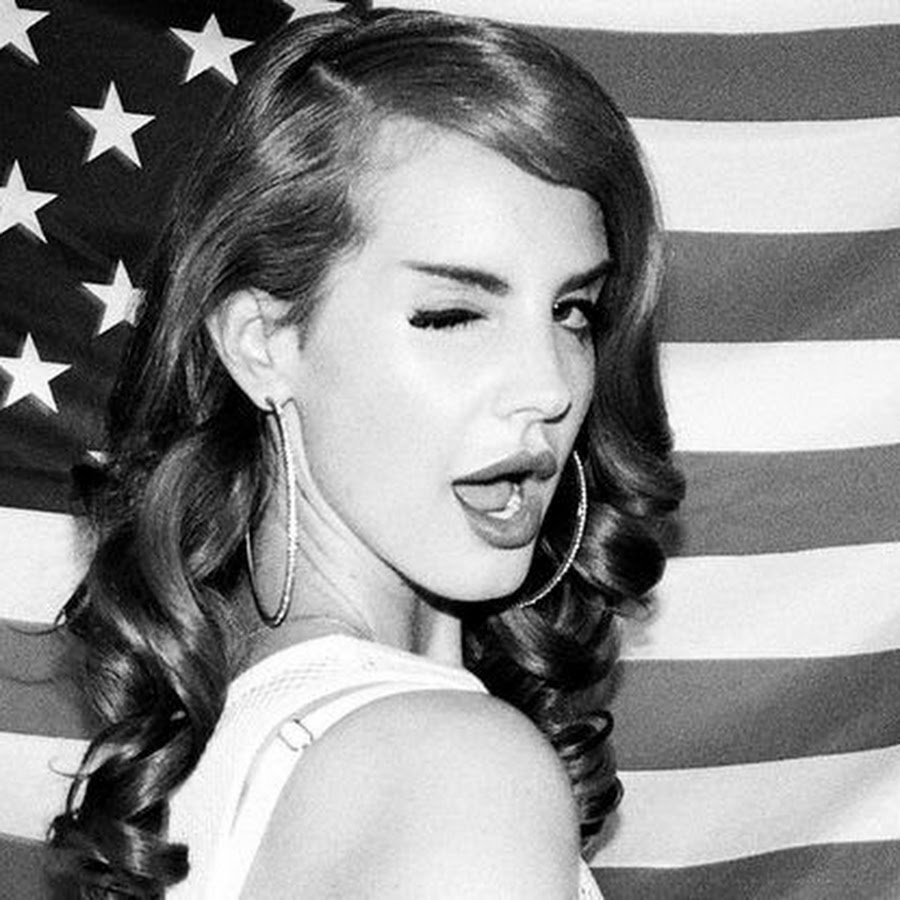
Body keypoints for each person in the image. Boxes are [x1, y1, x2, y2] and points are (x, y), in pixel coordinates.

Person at [48, 6, 682, 898]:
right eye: (452, 315)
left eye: (572, 312)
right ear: (264, 343)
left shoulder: (223, 749)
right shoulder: (454, 773)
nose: (550, 387)